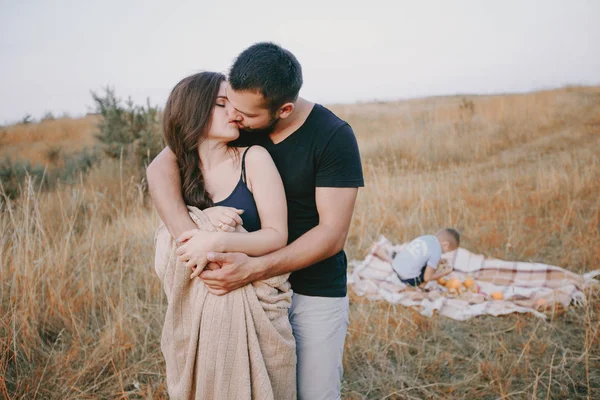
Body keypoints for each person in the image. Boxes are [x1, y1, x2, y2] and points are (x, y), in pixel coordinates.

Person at [147, 42, 364, 399]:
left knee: (313, 393)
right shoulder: (239, 122)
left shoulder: (332, 137)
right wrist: (193, 239)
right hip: (241, 287)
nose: (234, 114)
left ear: (283, 110)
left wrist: (250, 267)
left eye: (242, 112)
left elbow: (331, 235)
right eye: (227, 102)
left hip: (313, 290)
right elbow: (160, 167)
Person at [155, 71, 296, 398]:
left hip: (258, 305)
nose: (234, 112)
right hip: (203, 317)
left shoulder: (253, 159)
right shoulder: (182, 174)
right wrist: (201, 219)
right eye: (222, 104)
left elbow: (277, 236)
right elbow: (169, 242)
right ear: (194, 111)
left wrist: (217, 239)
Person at [387, 228, 460, 287]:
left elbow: (422, 255)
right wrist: (445, 273)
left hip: (396, 266)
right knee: (433, 269)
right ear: (445, 245)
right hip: (407, 278)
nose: (445, 253)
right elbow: (427, 278)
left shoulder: (427, 237)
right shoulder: (437, 251)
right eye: (447, 251)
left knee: (430, 263)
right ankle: (421, 286)